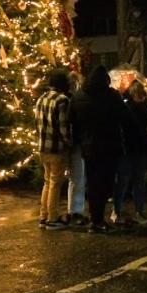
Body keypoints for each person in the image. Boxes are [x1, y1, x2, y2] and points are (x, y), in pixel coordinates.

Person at [69, 65, 139, 233]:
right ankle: (99, 220)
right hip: (110, 146)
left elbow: (72, 121)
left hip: (88, 147)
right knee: (106, 183)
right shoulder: (111, 96)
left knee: (93, 183)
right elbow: (127, 119)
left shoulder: (78, 97)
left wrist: (80, 140)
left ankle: (95, 219)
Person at [35, 68, 73, 230]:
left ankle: (43, 216)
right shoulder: (62, 100)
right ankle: (52, 218)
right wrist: (69, 142)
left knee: (47, 181)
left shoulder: (41, 99)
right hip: (57, 148)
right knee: (55, 183)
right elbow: (63, 126)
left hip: (43, 147)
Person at [115, 80, 147, 225]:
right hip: (133, 148)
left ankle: (127, 211)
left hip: (133, 148)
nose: (140, 97)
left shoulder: (130, 107)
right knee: (130, 181)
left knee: (130, 181)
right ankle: (129, 211)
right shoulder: (139, 107)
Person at [65, 71, 88, 227]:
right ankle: (74, 211)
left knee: (77, 178)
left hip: (73, 143)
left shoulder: (71, 99)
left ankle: (74, 209)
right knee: (78, 177)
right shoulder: (71, 100)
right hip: (76, 143)